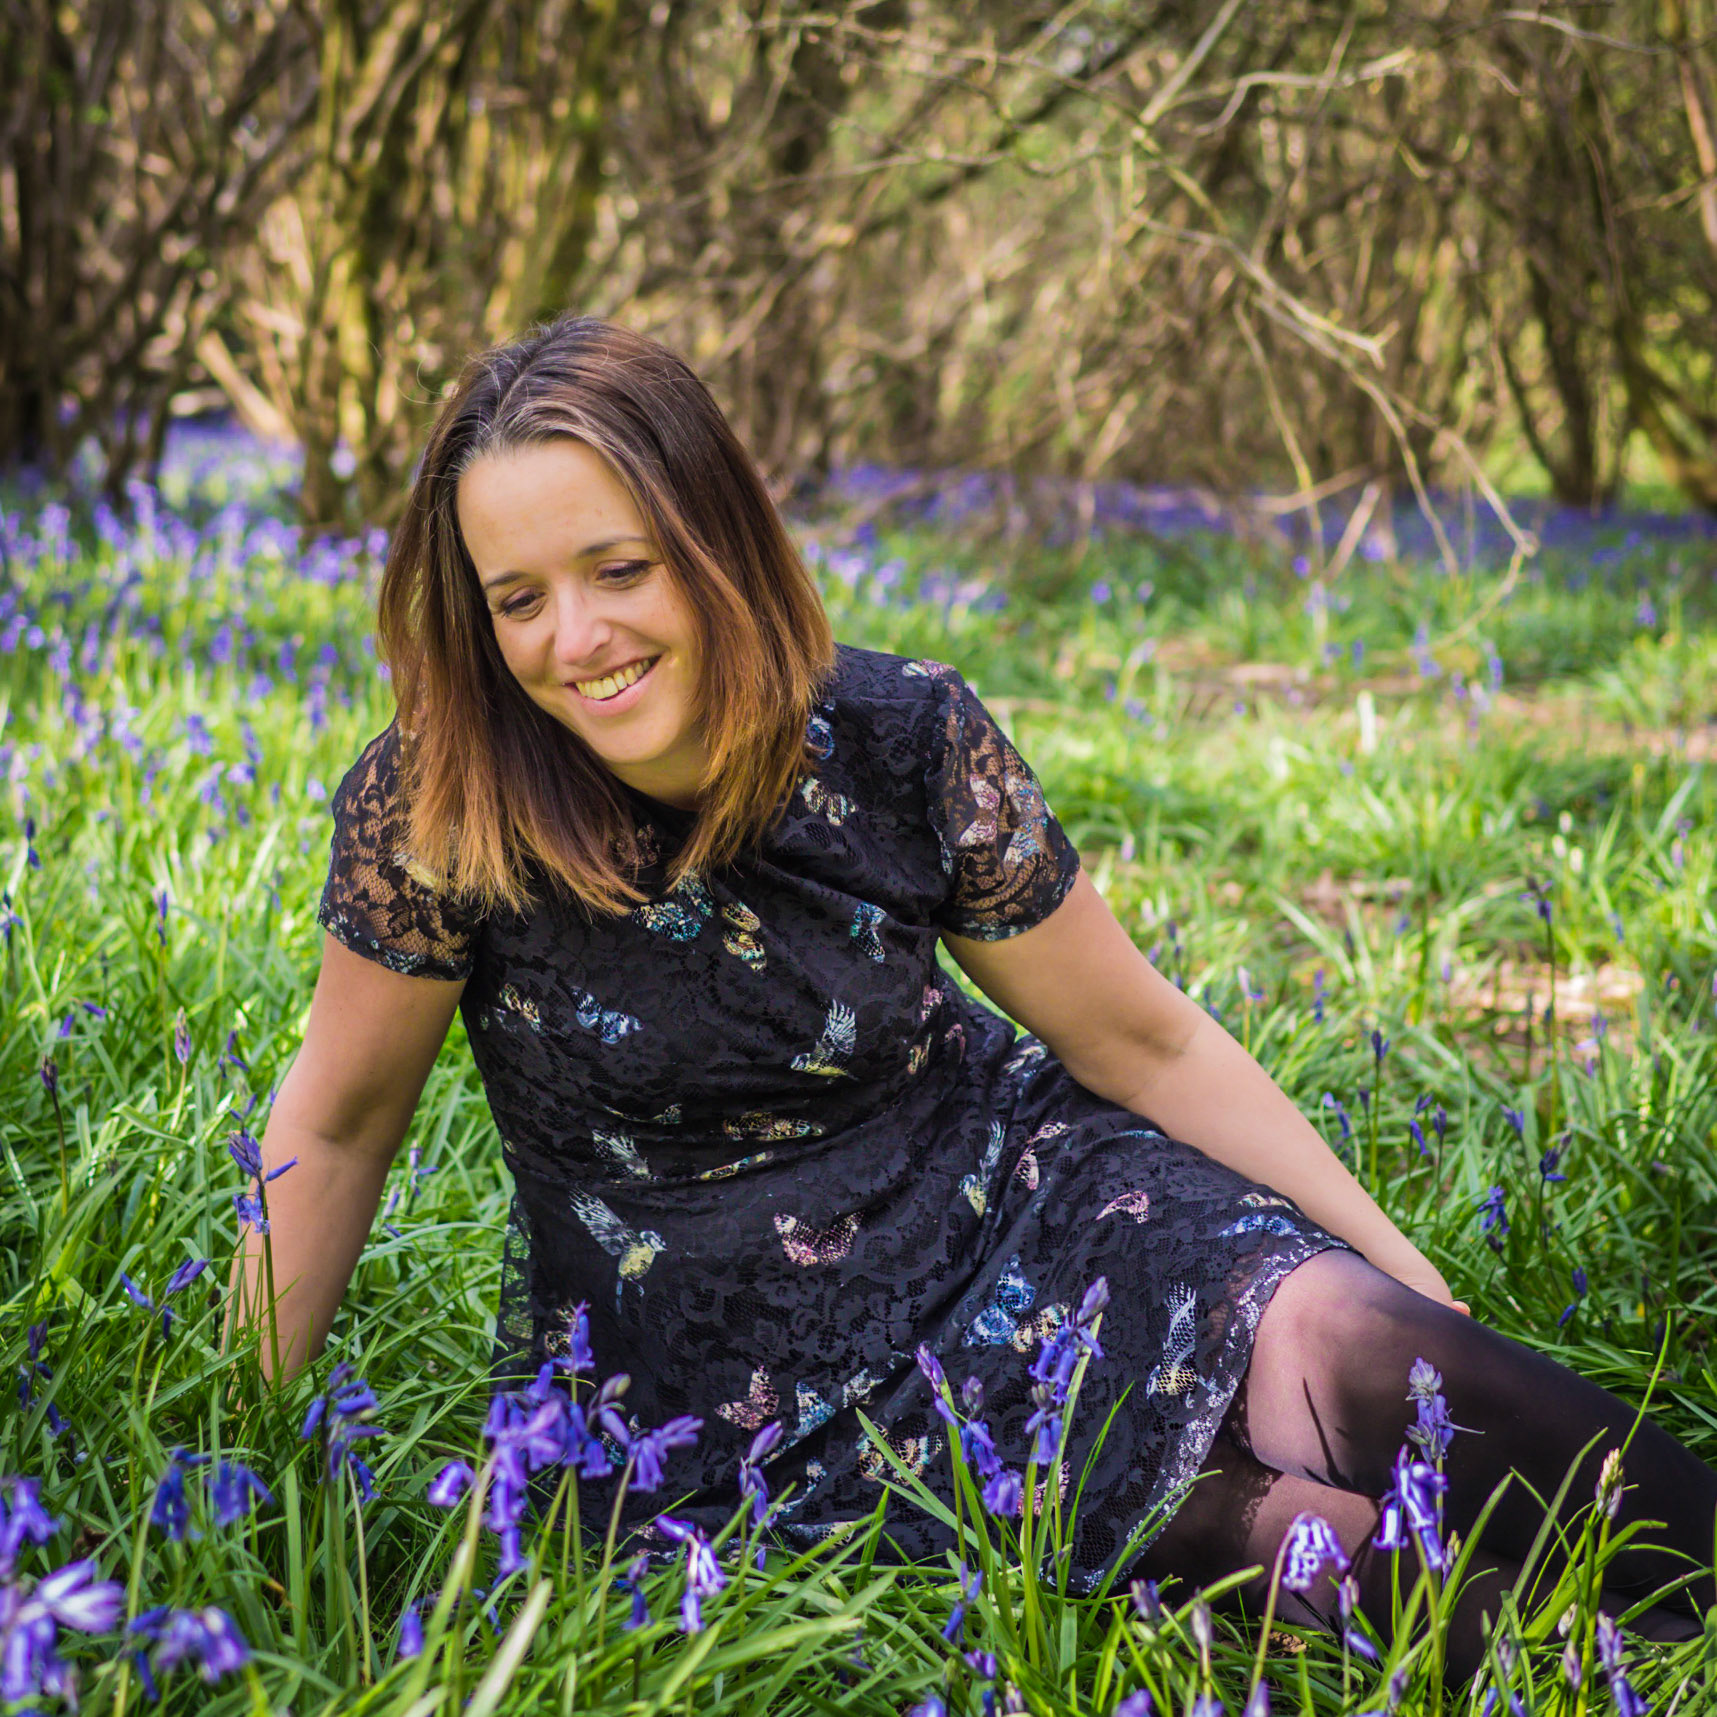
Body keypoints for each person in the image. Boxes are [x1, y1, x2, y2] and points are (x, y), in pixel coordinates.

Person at [233, 315, 1717, 1686]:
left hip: (1020, 1206)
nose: (578, 639)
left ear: (716, 542)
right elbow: (344, 1124)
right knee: (1288, 1542)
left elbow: (1141, 1037)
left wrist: (1411, 1277)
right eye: (519, 599)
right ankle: (1630, 1670)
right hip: (740, 1384)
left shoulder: (897, 737)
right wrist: (236, 1463)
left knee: (1356, 1343)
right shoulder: (441, 809)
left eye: (620, 569)